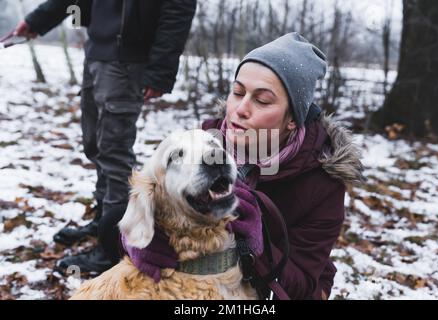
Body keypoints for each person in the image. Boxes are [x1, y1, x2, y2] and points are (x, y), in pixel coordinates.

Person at [121, 32, 364, 300]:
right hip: (205, 275)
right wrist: (139, 244)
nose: (240, 110)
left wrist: (256, 244)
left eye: (261, 100)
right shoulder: (206, 139)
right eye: (237, 93)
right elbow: (149, 203)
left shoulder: (323, 183)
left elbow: (303, 284)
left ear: (293, 119)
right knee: (111, 224)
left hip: (280, 287)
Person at [14, 0, 197, 274]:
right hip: (97, 51)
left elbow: (177, 9)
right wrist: (38, 21)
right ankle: (104, 220)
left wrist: (160, 70)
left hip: (127, 59)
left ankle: (113, 245)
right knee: (95, 144)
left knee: (114, 153)